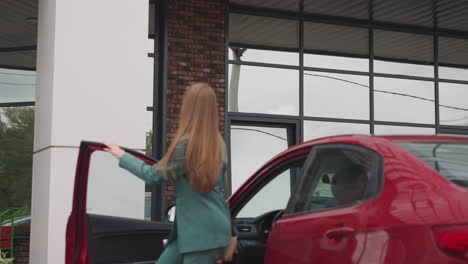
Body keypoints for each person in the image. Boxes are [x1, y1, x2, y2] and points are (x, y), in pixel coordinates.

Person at [104, 82, 231, 264]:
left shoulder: (186, 145)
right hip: (204, 231)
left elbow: (152, 175)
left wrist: (122, 156)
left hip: (199, 236)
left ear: (188, 108)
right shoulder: (218, 144)